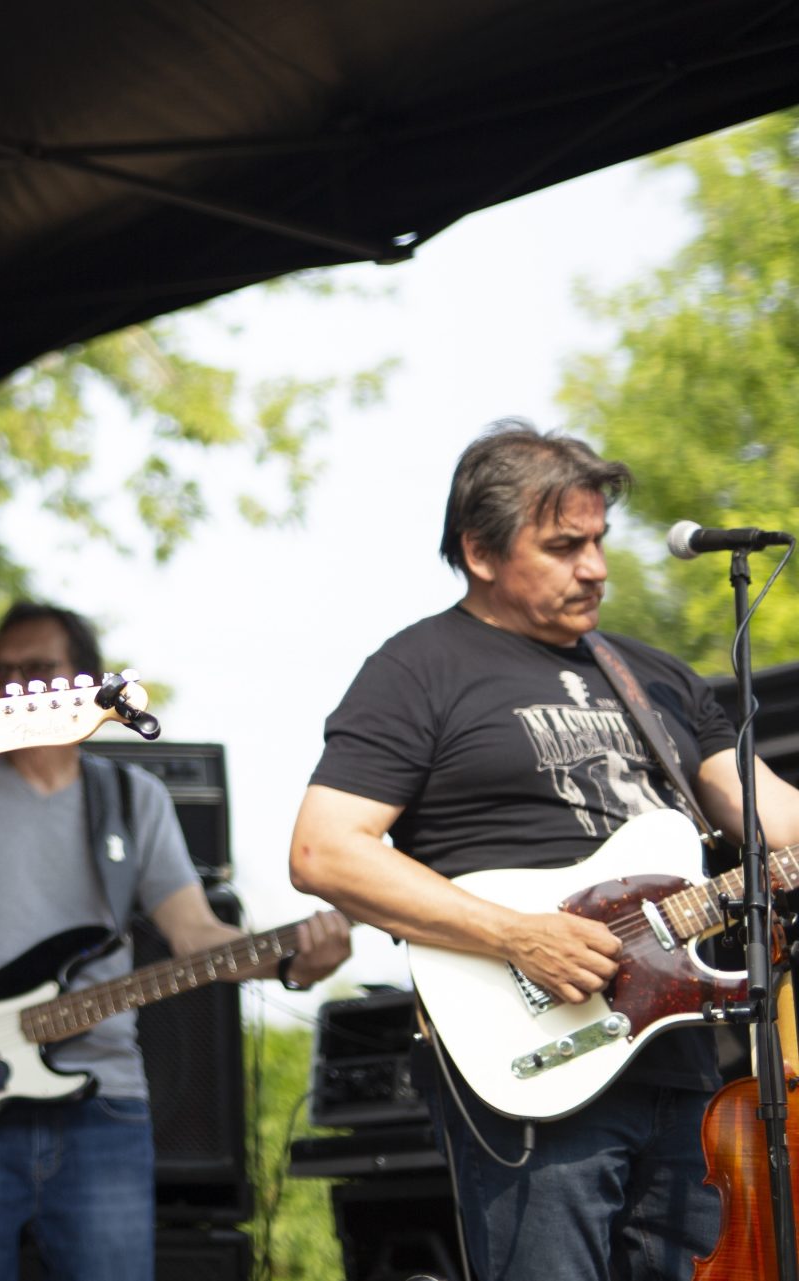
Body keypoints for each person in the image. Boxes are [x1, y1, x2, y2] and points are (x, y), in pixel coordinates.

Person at [289, 422, 799, 1281]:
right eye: (564, 546)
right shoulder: (419, 669)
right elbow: (324, 850)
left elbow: (773, 820)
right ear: (480, 551)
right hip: (531, 1059)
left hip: (675, 1058)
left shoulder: (656, 676)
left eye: (598, 540)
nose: (595, 566)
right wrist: (519, 936)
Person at [0, 601, 350, 1281]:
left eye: (36, 668)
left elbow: (195, 934)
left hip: (104, 1103)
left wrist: (294, 957)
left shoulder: (133, 797)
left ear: (81, 682)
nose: (14, 685)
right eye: (0, 671)